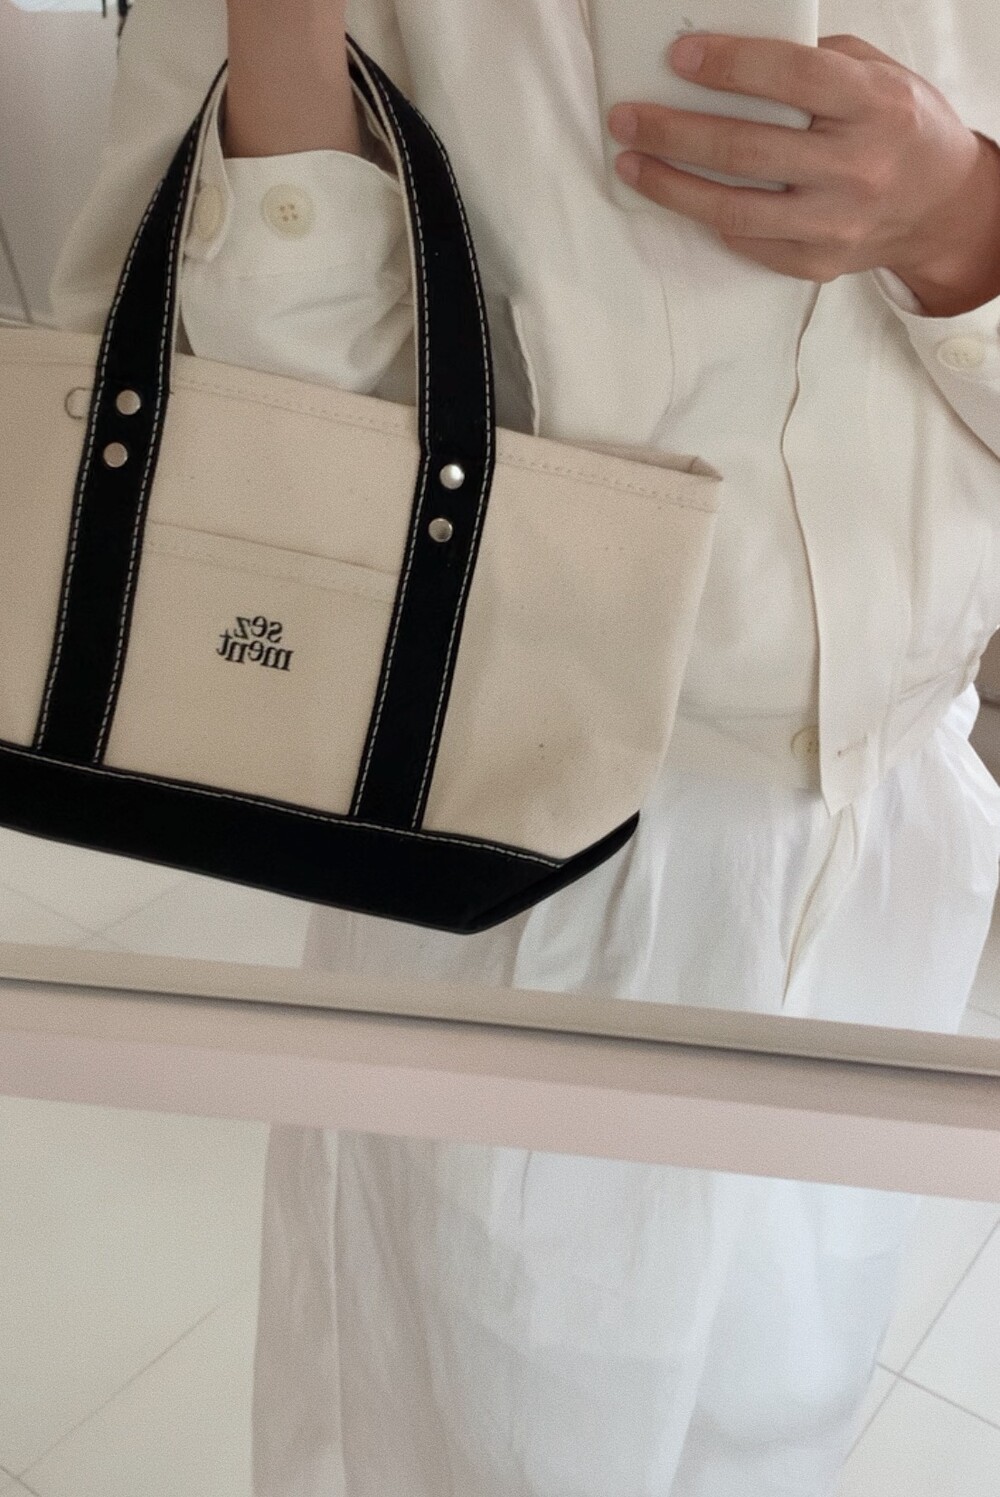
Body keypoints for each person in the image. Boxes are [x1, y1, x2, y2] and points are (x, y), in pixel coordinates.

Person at [49, 1, 1000, 1492]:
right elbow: (239, 451)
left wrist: (966, 227)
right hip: (519, 844)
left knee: (784, 1423)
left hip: (905, 845)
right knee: (487, 1447)